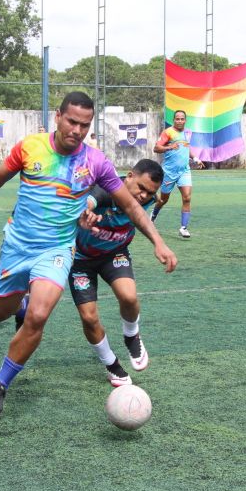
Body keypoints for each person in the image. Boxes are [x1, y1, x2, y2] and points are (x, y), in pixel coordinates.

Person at [0, 91, 177, 416]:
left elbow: (131, 205)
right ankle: (19, 301)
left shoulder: (96, 162)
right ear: (58, 117)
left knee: (38, 317)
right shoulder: (30, 147)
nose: (77, 130)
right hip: (17, 245)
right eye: (72, 121)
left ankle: (0, 383)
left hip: (58, 250)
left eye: (85, 125)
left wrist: (158, 242)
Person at [69, 158, 163, 387]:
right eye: (141, 188)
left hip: (115, 254)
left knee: (129, 297)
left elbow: (145, 215)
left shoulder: (149, 199)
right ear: (129, 176)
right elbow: (91, 199)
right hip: (80, 260)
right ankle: (111, 363)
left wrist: (159, 243)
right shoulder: (106, 189)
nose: (143, 196)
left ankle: (131, 335)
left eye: (149, 193)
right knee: (89, 318)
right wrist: (87, 212)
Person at [150, 109, 203, 238]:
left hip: (184, 171)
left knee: (187, 198)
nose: (179, 121)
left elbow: (187, 147)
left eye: (182, 119)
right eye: (177, 119)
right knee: (163, 200)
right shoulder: (168, 132)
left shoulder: (188, 132)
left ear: (185, 120)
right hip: (169, 172)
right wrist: (169, 147)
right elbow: (156, 148)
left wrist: (195, 158)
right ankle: (152, 218)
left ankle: (183, 228)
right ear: (174, 120)